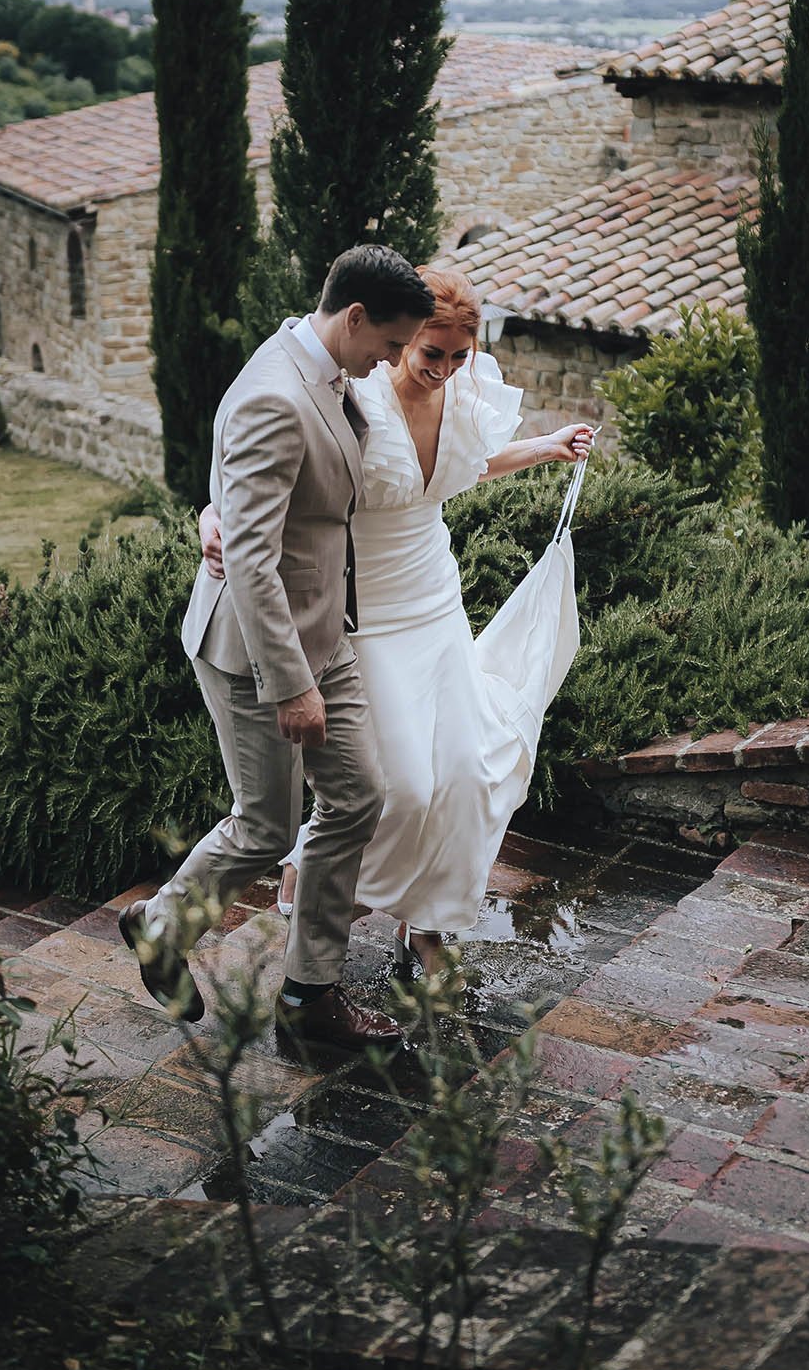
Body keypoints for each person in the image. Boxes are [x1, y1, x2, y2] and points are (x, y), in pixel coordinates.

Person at [200, 267, 593, 975]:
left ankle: (429, 921)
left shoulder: (466, 390)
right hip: (363, 611)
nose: (442, 370)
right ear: (401, 339)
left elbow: (461, 467)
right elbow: (275, 471)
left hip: (435, 597)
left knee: (468, 774)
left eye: (456, 355)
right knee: (405, 787)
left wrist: (543, 446)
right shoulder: (354, 390)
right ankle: (316, 875)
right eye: (427, 354)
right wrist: (212, 514)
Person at [120, 243, 435, 1050]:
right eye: (391, 344)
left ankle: (308, 996)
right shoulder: (273, 391)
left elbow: (262, 499)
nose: (391, 362)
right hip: (259, 649)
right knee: (265, 827)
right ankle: (162, 927)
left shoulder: (319, 362)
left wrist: (214, 508)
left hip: (329, 627)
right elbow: (252, 559)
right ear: (355, 316)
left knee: (360, 794)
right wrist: (292, 684)